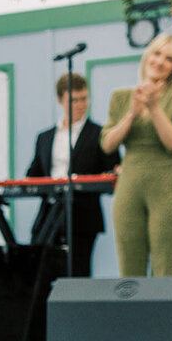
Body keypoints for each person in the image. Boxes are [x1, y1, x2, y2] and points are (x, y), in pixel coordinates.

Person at [100, 33, 172, 277]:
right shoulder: (121, 97)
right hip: (129, 188)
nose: (160, 61)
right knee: (130, 274)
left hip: (168, 189)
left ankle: (166, 316)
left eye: (169, 58)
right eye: (156, 53)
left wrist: (153, 107)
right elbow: (107, 145)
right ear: (147, 56)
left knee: (166, 272)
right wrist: (132, 114)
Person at [26, 72, 121, 276]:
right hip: (49, 214)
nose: (80, 104)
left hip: (83, 216)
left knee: (78, 274)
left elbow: (113, 171)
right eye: (74, 100)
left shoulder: (99, 134)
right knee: (40, 271)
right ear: (61, 100)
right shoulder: (45, 137)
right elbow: (33, 174)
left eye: (84, 98)